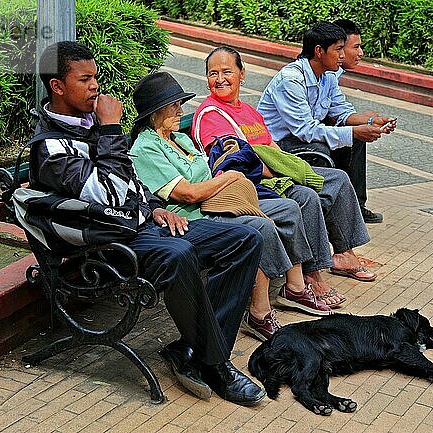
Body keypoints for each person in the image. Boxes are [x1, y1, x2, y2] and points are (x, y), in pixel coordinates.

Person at [31, 41, 266, 406]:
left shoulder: (90, 125)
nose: (95, 86)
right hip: (104, 243)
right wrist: (110, 129)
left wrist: (156, 206)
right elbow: (106, 196)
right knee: (179, 252)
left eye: (96, 77)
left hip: (142, 224)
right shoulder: (52, 146)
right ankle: (216, 364)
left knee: (245, 238)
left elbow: (131, 181)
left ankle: (189, 349)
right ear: (57, 87)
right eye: (85, 79)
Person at [130, 72, 333, 345]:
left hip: (219, 201)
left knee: (287, 208)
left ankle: (294, 286)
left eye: (181, 103)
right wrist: (230, 178)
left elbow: (208, 174)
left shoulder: (179, 138)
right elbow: (188, 193)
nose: (181, 109)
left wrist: (228, 178)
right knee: (259, 226)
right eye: (174, 105)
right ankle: (259, 313)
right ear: (155, 112)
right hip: (194, 215)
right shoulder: (146, 148)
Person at [192, 46, 376, 300]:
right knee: (306, 197)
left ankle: (344, 253)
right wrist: (285, 173)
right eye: (213, 73)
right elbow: (232, 162)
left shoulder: (247, 110)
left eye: (227, 72)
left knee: (338, 179)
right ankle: (312, 275)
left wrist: (292, 167)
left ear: (242, 74)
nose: (220, 79)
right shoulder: (211, 114)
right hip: (251, 184)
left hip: (276, 172)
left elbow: (270, 146)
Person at [257, 21, 396, 224]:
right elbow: (305, 130)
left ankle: (354, 206)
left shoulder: (327, 76)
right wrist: (355, 131)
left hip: (301, 138)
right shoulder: (291, 80)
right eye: (338, 49)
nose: (342, 56)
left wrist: (372, 122)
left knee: (353, 139)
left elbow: (341, 111)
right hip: (277, 145)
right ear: (319, 51)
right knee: (321, 147)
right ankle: (322, 213)